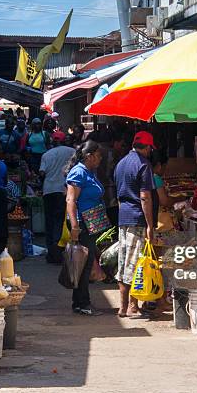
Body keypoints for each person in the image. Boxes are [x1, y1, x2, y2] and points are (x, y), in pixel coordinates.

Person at [114, 131, 156, 318]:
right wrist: (150, 225)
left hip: (123, 216)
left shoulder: (121, 163)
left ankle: (123, 307)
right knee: (135, 263)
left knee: (124, 261)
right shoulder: (144, 165)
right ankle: (132, 306)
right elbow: (145, 196)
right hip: (137, 218)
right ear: (147, 147)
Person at [65, 140, 105, 316]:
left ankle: (79, 302)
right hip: (82, 223)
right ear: (89, 156)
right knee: (84, 266)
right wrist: (74, 225)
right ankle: (84, 304)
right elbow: (70, 200)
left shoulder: (89, 172)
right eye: (98, 156)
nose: (100, 159)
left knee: (83, 264)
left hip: (90, 222)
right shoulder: (78, 172)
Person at [40, 131, 75, 264]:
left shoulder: (46, 154)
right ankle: (60, 252)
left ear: (53, 141)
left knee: (49, 222)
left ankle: (52, 253)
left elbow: (42, 172)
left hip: (48, 190)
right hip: (64, 190)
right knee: (62, 222)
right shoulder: (72, 151)